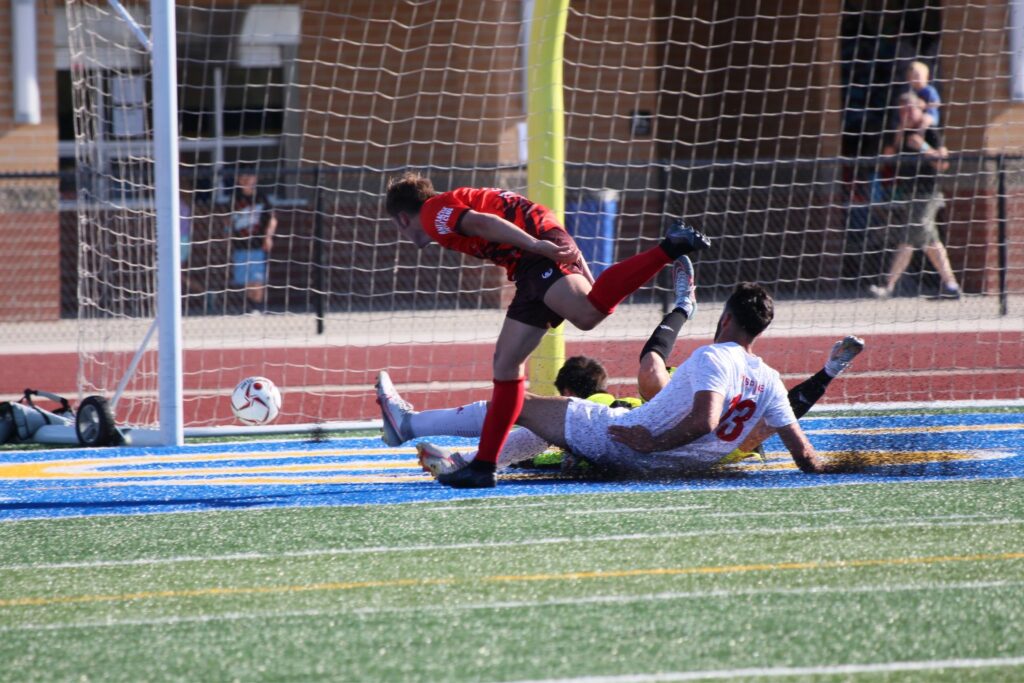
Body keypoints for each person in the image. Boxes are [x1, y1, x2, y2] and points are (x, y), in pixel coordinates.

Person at [379, 172, 711, 488]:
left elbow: (484, 222)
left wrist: (538, 246)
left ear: (403, 219)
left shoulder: (433, 212)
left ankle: (668, 248)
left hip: (535, 253)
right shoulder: (444, 206)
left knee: (586, 313)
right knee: (507, 364)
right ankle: (483, 466)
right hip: (528, 263)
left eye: (398, 227)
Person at [389, 260, 863, 477]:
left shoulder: (714, 357)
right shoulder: (771, 382)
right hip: (674, 468)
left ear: (727, 319)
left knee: (517, 402)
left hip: (629, 442)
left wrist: (649, 439)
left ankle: (408, 425)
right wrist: (846, 469)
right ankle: (465, 461)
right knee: (558, 425)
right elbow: (806, 457)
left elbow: (705, 419)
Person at [869, 92, 960, 300]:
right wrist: (901, 133)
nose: (907, 114)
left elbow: (943, 163)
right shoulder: (902, 132)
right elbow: (888, 157)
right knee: (930, 242)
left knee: (911, 235)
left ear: (920, 108)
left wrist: (923, 146)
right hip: (909, 192)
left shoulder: (930, 130)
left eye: (911, 109)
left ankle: (889, 286)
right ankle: (951, 285)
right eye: (903, 111)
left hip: (927, 192)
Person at [228, 169, 277, 313]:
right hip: (240, 245)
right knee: (246, 280)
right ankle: (251, 307)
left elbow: (272, 219)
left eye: (249, 177)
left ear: (255, 179)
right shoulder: (234, 198)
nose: (246, 180)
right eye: (242, 177)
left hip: (257, 244)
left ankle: (258, 307)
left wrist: (268, 237)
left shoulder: (261, 198)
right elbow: (228, 220)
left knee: (257, 279)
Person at [907, 61, 941, 130]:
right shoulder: (913, 92)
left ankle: (920, 136)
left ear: (926, 77)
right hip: (918, 117)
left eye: (917, 76)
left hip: (931, 116)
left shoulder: (929, 90)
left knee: (924, 121)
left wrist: (925, 106)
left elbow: (937, 103)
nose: (915, 80)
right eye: (912, 77)